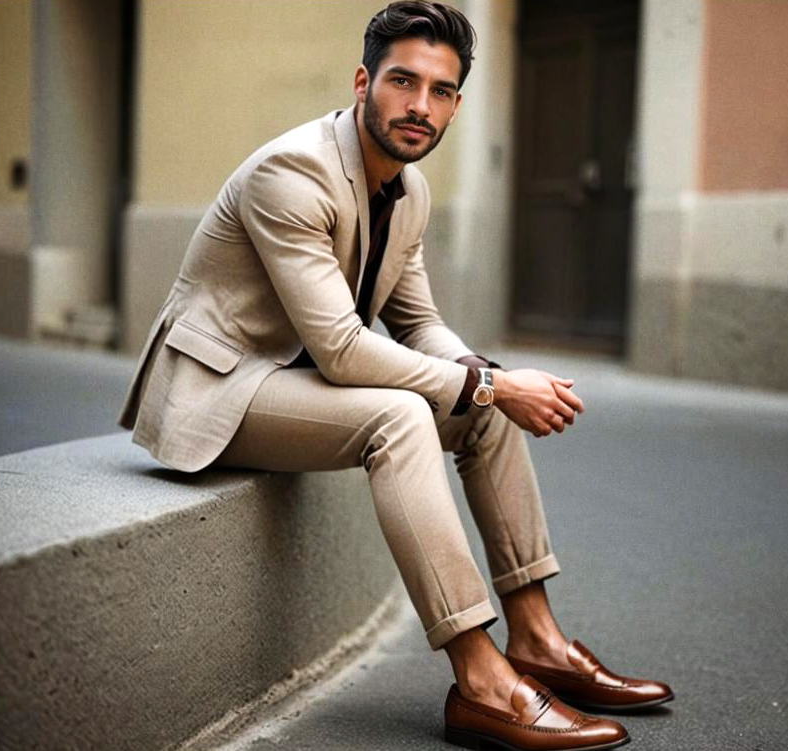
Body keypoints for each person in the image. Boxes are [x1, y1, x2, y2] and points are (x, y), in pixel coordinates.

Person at [119, 2, 673, 749]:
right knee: (406, 415)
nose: (419, 107)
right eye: (403, 82)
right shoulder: (292, 173)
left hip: (299, 381)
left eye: (440, 91)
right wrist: (492, 384)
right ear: (361, 82)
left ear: (454, 104)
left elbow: (417, 324)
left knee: (480, 398)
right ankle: (479, 679)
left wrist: (487, 376)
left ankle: (536, 640)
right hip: (217, 391)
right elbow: (345, 349)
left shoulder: (406, 188)